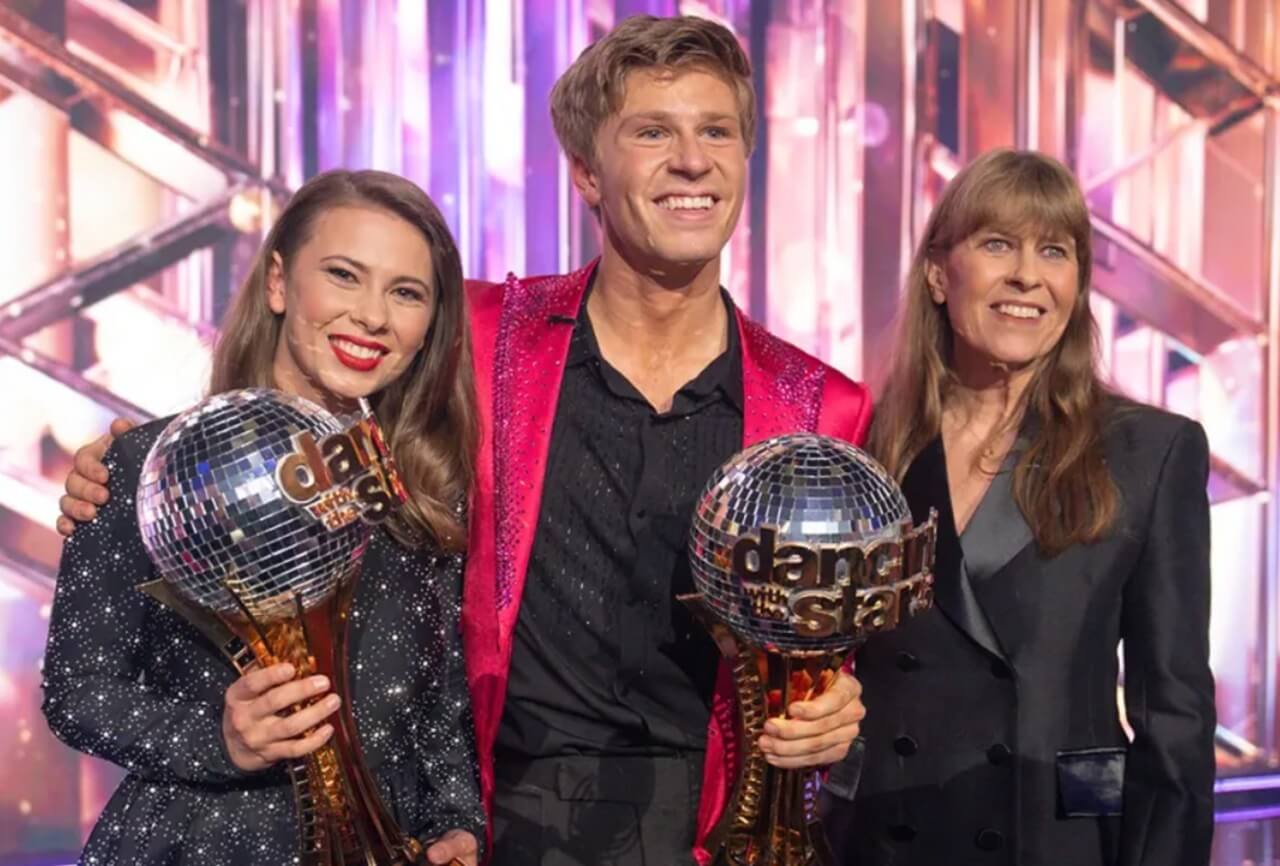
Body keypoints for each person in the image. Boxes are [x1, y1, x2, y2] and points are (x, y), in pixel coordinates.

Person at [57, 15, 870, 866]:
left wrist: (840, 712)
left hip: (706, 825)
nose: (692, 160)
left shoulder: (821, 404)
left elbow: (838, 657)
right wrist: (132, 466)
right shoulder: (479, 337)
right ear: (587, 172)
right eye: (653, 132)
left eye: (717, 131)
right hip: (499, 810)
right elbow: (298, 400)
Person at [42, 170, 484, 866]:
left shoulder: (423, 497)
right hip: (191, 847)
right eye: (343, 275)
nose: (372, 315)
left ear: (430, 325)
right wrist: (219, 739)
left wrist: (458, 824)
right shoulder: (144, 468)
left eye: (406, 293)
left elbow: (436, 709)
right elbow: (77, 692)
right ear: (279, 283)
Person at [819, 149, 1216, 866]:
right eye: (998, 243)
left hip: (1058, 836)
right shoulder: (868, 445)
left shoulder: (1149, 452)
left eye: (1054, 251)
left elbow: (1176, 719)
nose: (1027, 275)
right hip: (881, 836)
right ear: (940, 274)